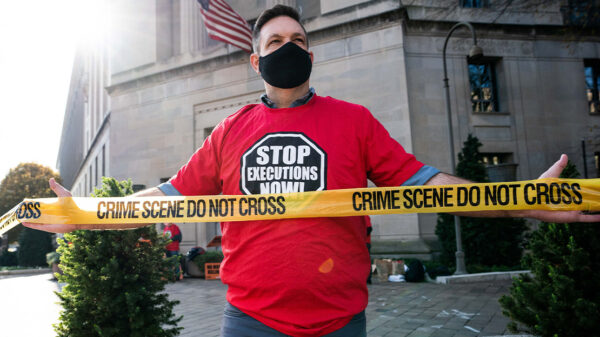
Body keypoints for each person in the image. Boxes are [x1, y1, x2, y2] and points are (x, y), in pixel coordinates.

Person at [24, 5, 600, 337]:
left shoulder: (355, 121)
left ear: (311, 54)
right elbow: (171, 196)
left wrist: (516, 200)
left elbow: (423, 183)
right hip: (249, 320)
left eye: (299, 39)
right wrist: (89, 216)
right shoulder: (229, 131)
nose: (289, 46)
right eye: (276, 41)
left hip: (339, 321)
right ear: (256, 59)